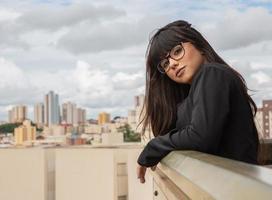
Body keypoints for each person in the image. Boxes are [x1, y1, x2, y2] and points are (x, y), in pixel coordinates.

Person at [136, 20, 262, 184]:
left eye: (177, 51)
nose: (173, 64)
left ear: (198, 45)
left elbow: (200, 137)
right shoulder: (193, 94)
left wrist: (153, 147)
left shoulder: (212, 73)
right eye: (165, 64)